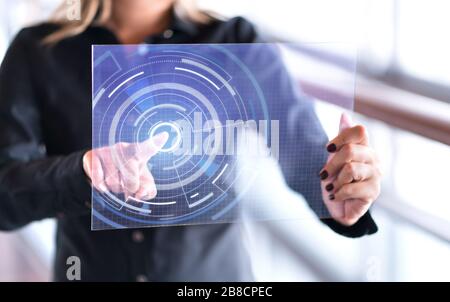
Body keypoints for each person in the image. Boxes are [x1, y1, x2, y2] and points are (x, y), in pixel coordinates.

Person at [0, 0, 381, 281]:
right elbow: (6, 196)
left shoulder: (233, 40)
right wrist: (83, 171)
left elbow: (303, 152)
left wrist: (338, 193)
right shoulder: (38, 50)